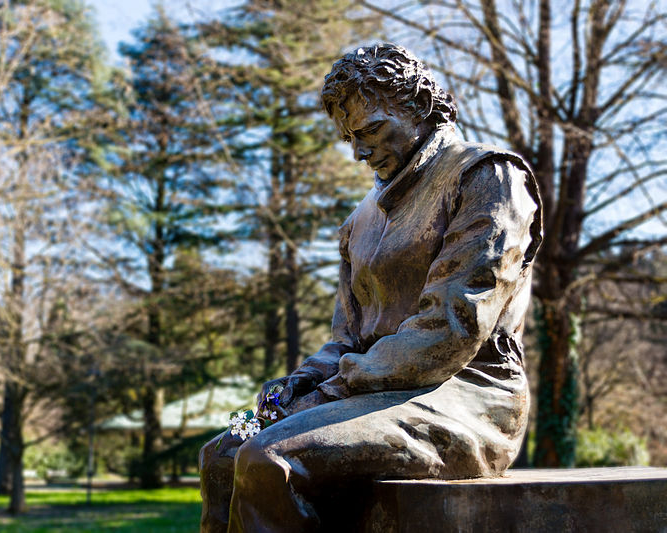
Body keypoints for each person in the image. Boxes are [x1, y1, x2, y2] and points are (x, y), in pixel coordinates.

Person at [199, 44, 543, 533]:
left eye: (372, 129)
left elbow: (451, 326)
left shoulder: (486, 175)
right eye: (349, 138)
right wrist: (301, 383)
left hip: (468, 394)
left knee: (267, 459)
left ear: (419, 107)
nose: (359, 151)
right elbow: (347, 339)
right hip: (368, 391)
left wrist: (332, 389)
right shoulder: (359, 220)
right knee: (220, 454)